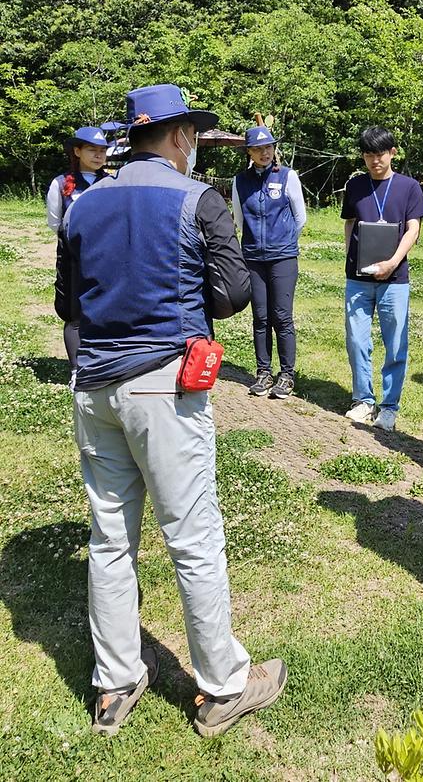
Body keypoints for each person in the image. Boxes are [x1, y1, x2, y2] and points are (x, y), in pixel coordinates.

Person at [55, 84, 287, 737]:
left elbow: (65, 304)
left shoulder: (82, 203)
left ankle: (115, 682)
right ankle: (224, 686)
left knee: (108, 540)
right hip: (162, 385)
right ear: (182, 137)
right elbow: (234, 292)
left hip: (94, 384)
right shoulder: (200, 201)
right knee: (193, 539)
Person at [341, 126, 423, 432]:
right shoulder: (355, 186)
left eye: (380, 154)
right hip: (358, 278)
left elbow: (413, 229)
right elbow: (350, 223)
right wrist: (350, 257)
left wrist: (393, 262)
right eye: (368, 155)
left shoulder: (409, 187)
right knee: (356, 340)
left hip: (395, 278)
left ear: (392, 152)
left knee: (395, 343)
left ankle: (389, 406)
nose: (374, 160)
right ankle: (363, 399)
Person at [232, 126, 307, 399]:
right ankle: (263, 371)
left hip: (283, 257)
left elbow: (301, 218)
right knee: (260, 317)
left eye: (269, 147)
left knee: (282, 316)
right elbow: (239, 220)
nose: (265, 153)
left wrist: (283, 242)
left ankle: (287, 375)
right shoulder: (240, 181)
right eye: (258, 149)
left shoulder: (288, 177)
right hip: (252, 257)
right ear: (249, 152)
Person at [46, 126, 109, 369]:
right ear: (77, 150)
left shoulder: (113, 181)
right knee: (75, 315)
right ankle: (77, 369)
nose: (98, 156)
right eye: (92, 150)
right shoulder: (61, 184)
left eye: (102, 151)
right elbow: (55, 222)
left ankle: (103, 363)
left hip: (107, 258)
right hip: (74, 258)